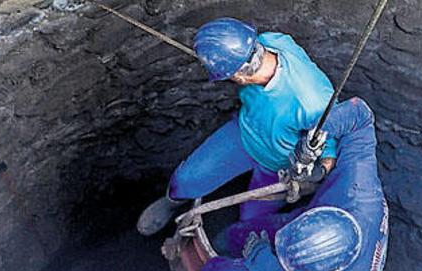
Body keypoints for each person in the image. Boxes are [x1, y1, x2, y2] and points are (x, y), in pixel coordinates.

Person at [154, 97, 388, 271]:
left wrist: (260, 256)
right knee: (238, 234)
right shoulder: (357, 187)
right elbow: (360, 116)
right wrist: (315, 138)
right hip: (315, 213)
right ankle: (233, 248)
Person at [137, 17, 339, 235]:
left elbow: (330, 143)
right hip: (244, 135)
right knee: (186, 180)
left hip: (278, 166)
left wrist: (319, 171)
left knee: (251, 222)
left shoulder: (312, 102)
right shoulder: (271, 41)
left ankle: (243, 243)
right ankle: (171, 202)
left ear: (239, 77)